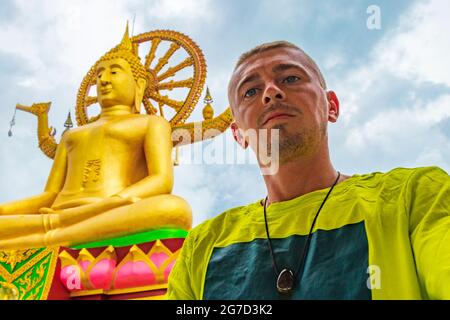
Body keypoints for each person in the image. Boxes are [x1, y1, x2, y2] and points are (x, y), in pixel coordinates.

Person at [167, 41, 450, 299]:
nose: (271, 92)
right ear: (238, 135)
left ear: (332, 107)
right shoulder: (203, 247)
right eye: (250, 91)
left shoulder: (411, 197)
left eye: (290, 78)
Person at [0, 27, 192, 250]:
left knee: (172, 208)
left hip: (111, 211)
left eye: (114, 72)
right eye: (99, 74)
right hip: (58, 214)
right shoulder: (72, 135)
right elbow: (50, 195)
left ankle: (51, 235)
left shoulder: (152, 123)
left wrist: (117, 200)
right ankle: (57, 234)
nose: (103, 80)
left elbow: (161, 180)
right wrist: (4, 210)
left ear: (139, 85)